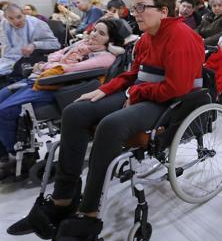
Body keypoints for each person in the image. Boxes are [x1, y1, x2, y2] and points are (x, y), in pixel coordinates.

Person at [6, 0, 205, 241]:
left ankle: (88, 214)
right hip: (144, 93)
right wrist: (103, 89)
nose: (134, 12)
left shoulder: (181, 36)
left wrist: (136, 92)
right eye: (133, 7)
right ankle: (63, 199)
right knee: (75, 111)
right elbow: (132, 74)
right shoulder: (147, 37)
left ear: (163, 11)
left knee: (112, 125)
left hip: (169, 102)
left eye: (141, 7)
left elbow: (177, 87)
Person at [0, 19, 128, 180]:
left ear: (111, 40)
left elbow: (70, 69)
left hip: (54, 87)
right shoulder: (82, 44)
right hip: (39, 78)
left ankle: (19, 156)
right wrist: (49, 64)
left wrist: (45, 66)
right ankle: (3, 155)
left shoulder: (106, 57)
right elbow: (56, 55)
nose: (94, 34)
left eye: (101, 33)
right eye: (94, 30)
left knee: (3, 111)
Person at [0, 4, 60, 77]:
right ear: (6, 18)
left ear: (24, 14)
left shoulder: (37, 24)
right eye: (10, 18)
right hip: (9, 60)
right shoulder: (4, 24)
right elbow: (5, 46)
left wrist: (34, 45)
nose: (16, 21)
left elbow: (55, 44)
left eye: (19, 17)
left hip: (30, 60)